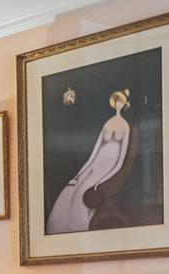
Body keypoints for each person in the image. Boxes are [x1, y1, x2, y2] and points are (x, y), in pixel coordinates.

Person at [47, 90, 131, 234]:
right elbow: (95, 153)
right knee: (70, 190)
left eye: (121, 101)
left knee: (81, 194)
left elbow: (120, 161)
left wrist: (101, 181)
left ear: (124, 104)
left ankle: (78, 229)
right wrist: (78, 175)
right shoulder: (108, 123)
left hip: (108, 168)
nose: (119, 104)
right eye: (117, 101)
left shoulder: (125, 126)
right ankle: (59, 229)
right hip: (96, 164)